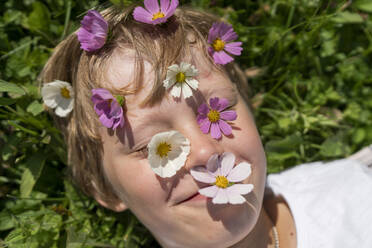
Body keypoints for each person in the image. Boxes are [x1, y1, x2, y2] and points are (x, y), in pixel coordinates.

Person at [39, 1, 372, 247]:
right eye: (149, 145)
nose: (203, 150)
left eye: (218, 109)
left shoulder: (354, 198)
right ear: (102, 186)